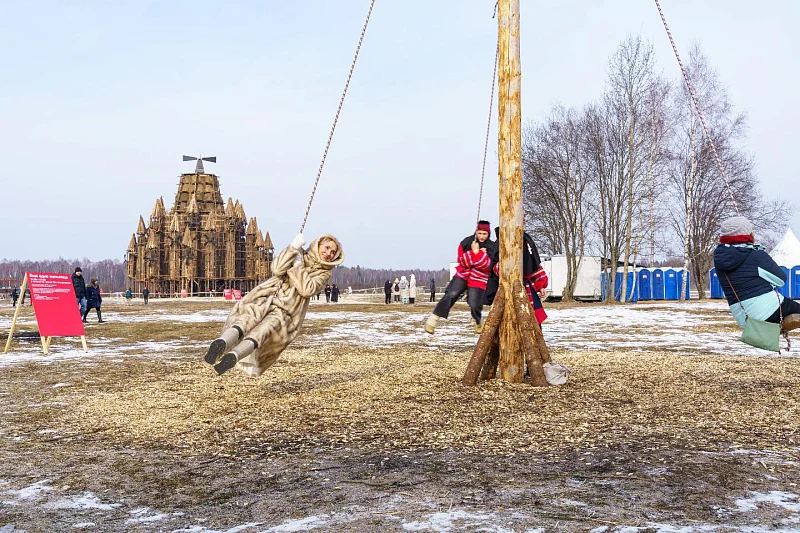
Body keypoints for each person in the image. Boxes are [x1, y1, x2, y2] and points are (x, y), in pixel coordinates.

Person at [204, 233, 344, 376]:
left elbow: (307, 289)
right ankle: (222, 342)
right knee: (247, 318)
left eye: (333, 252)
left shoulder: (324, 273)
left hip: (287, 308)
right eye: (327, 248)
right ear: (318, 245)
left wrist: (296, 266)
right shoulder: (298, 252)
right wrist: (293, 248)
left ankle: (234, 356)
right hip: (269, 294)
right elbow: (277, 269)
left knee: (265, 330)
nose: (328, 253)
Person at [714, 216, 800, 334]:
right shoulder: (756, 255)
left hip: (744, 318)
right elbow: (781, 279)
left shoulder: (719, 258)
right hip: (769, 311)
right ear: (747, 234)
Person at [424, 220, 495, 334]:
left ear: (488, 234)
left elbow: (487, 266)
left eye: (484, 234)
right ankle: (433, 320)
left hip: (479, 278)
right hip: (463, 274)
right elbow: (462, 261)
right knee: (451, 293)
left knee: (474, 303)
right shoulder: (466, 242)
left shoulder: (492, 246)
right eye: (479, 233)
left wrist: (477, 253)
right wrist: (477, 255)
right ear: (476, 232)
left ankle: (478, 320)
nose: (481, 236)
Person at [484, 226, 549, 326]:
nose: (522, 220)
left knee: (533, 319)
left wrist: (540, 285)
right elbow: (495, 267)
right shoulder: (502, 240)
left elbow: (533, 263)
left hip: (527, 287)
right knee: (510, 320)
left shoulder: (525, 238)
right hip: (508, 288)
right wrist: (507, 268)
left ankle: (533, 340)